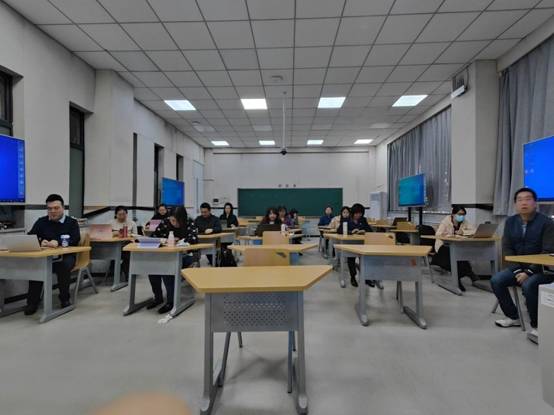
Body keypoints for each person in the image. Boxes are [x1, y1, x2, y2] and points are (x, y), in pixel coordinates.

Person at [491, 187, 554, 341]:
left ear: (535, 203)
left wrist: (529, 272)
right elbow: (507, 248)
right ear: (515, 204)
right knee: (497, 280)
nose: (524, 203)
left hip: (542, 269)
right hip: (518, 267)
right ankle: (513, 317)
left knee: (529, 285)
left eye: (528, 199)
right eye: (520, 200)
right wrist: (518, 270)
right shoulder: (510, 222)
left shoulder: (547, 223)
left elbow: (547, 251)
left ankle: (537, 326)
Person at [25, 194, 80, 315]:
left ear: (63, 208)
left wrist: (58, 242)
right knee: (36, 266)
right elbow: (30, 237)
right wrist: (40, 241)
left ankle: (64, 299)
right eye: (49, 208)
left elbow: (75, 239)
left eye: (56, 208)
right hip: (46, 257)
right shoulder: (41, 222)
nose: (53, 211)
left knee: (63, 266)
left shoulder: (72, 222)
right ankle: (32, 302)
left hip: (66, 256)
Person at [148, 207, 198, 314]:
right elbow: (154, 236)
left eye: (176, 220)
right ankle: (158, 297)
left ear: (182, 219)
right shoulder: (165, 222)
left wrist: (180, 241)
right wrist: (165, 240)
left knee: (167, 271)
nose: (173, 223)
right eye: (172, 220)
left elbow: (194, 239)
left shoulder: (189, 222)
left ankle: (171, 301)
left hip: (184, 256)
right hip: (165, 256)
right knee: (152, 269)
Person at [432, 205, 477, 292]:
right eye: (459, 214)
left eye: (463, 214)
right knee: (454, 255)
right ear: (453, 214)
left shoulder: (464, 222)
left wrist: (463, 231)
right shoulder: (446, 221)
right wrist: (450, 235)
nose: (461, 216)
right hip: (443, 246)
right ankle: (467, 275)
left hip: (456, 246)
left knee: (460, 254)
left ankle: (464, 276)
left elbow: (474, 231)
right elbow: (438, 234)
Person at [337, 203, 373, 287]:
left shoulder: (363, 220)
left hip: (362, 244)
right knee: (351, 259)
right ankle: (353, 277)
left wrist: (364, 231)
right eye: (356, 213)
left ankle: (366, 278)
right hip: (350, 243)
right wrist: (351, 232)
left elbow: (370, 230)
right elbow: (339, 231)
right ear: (353, 213)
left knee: (364, 259)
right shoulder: (346, 220)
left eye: (360, 214)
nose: (358, 215)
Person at [110, 206, 137, 279]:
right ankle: (115, 274)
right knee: (113, 257)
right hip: (113, 247)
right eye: (120, 214)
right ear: (116, 214)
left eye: (124, 214)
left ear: (127, 214)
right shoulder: (110, 223)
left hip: (127, 246)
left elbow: (136, 237)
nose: (122, 216)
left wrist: (129, 235)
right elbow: (105, 234)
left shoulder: (132, 223)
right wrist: (115, 233)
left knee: (127, 256)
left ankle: (127, 275)